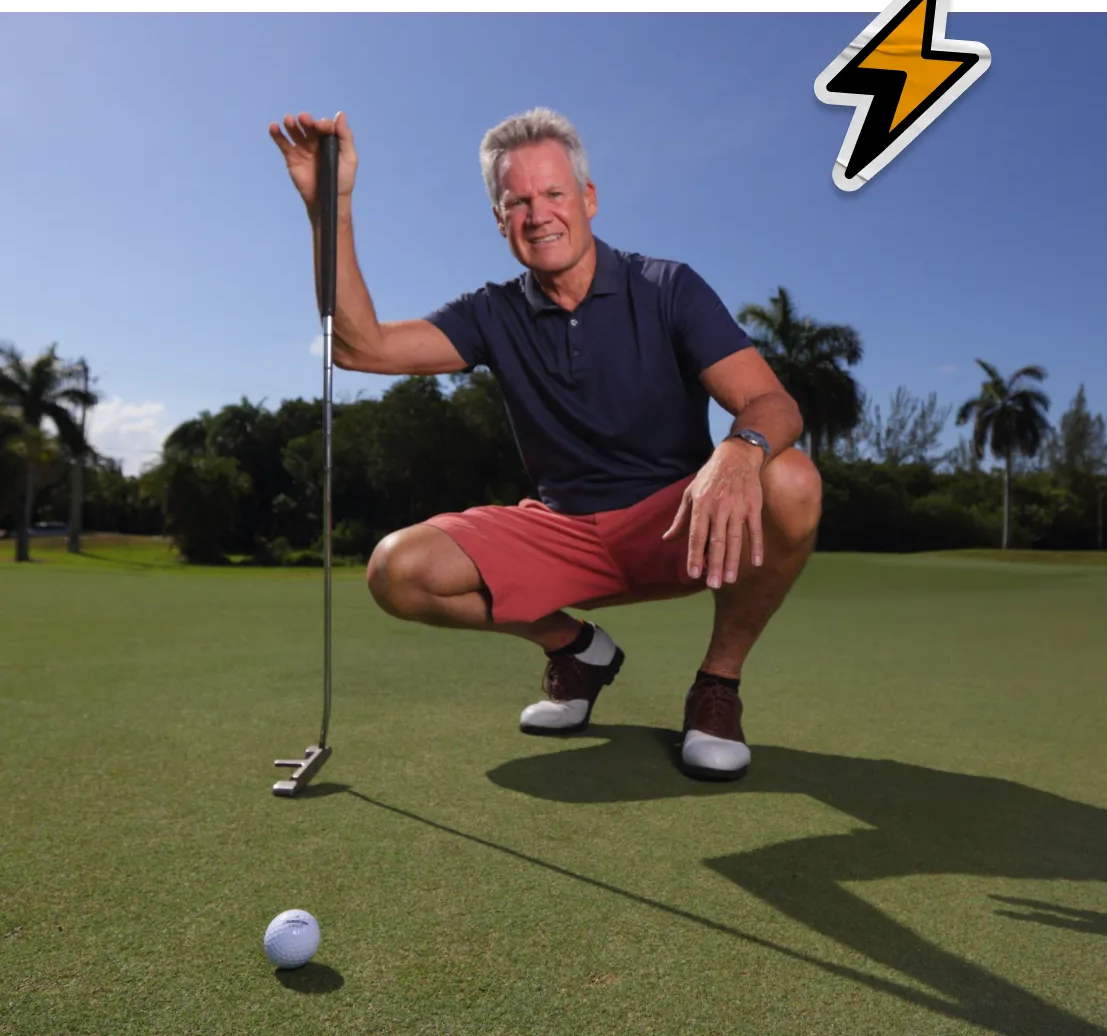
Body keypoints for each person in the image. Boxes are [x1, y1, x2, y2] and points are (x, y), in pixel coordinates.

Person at [269, 106, 822, 781]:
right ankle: (577, 650)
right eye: (518, 202)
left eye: (554, 193)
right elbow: (361, 348)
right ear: (500, 221)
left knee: (791, 479)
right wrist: (330, 206)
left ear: (587, 199)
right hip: (561, 533)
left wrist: (738, 451)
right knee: (397, 570)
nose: (538, 215)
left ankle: (717, 686)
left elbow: (773, 404)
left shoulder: (666, 287)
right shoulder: (491, 311)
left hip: (677, 525)